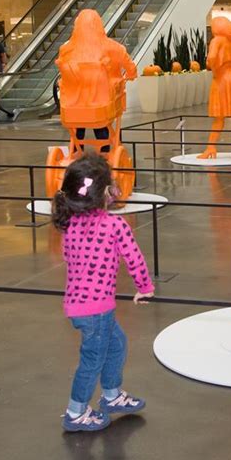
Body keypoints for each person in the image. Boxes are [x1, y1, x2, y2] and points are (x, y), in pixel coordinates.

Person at [53, 152, 155, 432]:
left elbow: (68, 257)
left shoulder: (69, 224)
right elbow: (135, 259)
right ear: (104, 193)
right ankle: (76, 412)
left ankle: (111, 395)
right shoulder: (115, 225)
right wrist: (144, 288)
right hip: (97, 310)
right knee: (92, 361)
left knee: (117, 344)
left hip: (79, 305)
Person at [56, 9, 137, 154]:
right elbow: (128, 64)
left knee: (78, 123)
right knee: (102, 122)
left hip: (71, 107)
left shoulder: (66, 49)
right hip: (102, 104)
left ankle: (75, 150)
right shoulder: (111, 47)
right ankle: (104, 150)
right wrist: (131, 74)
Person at [198, 16, 231, 160]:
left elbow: (212, 58)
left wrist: (215, 70)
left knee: (219, 117)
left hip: (222, 80)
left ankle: (211, 147)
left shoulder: (217, 40)